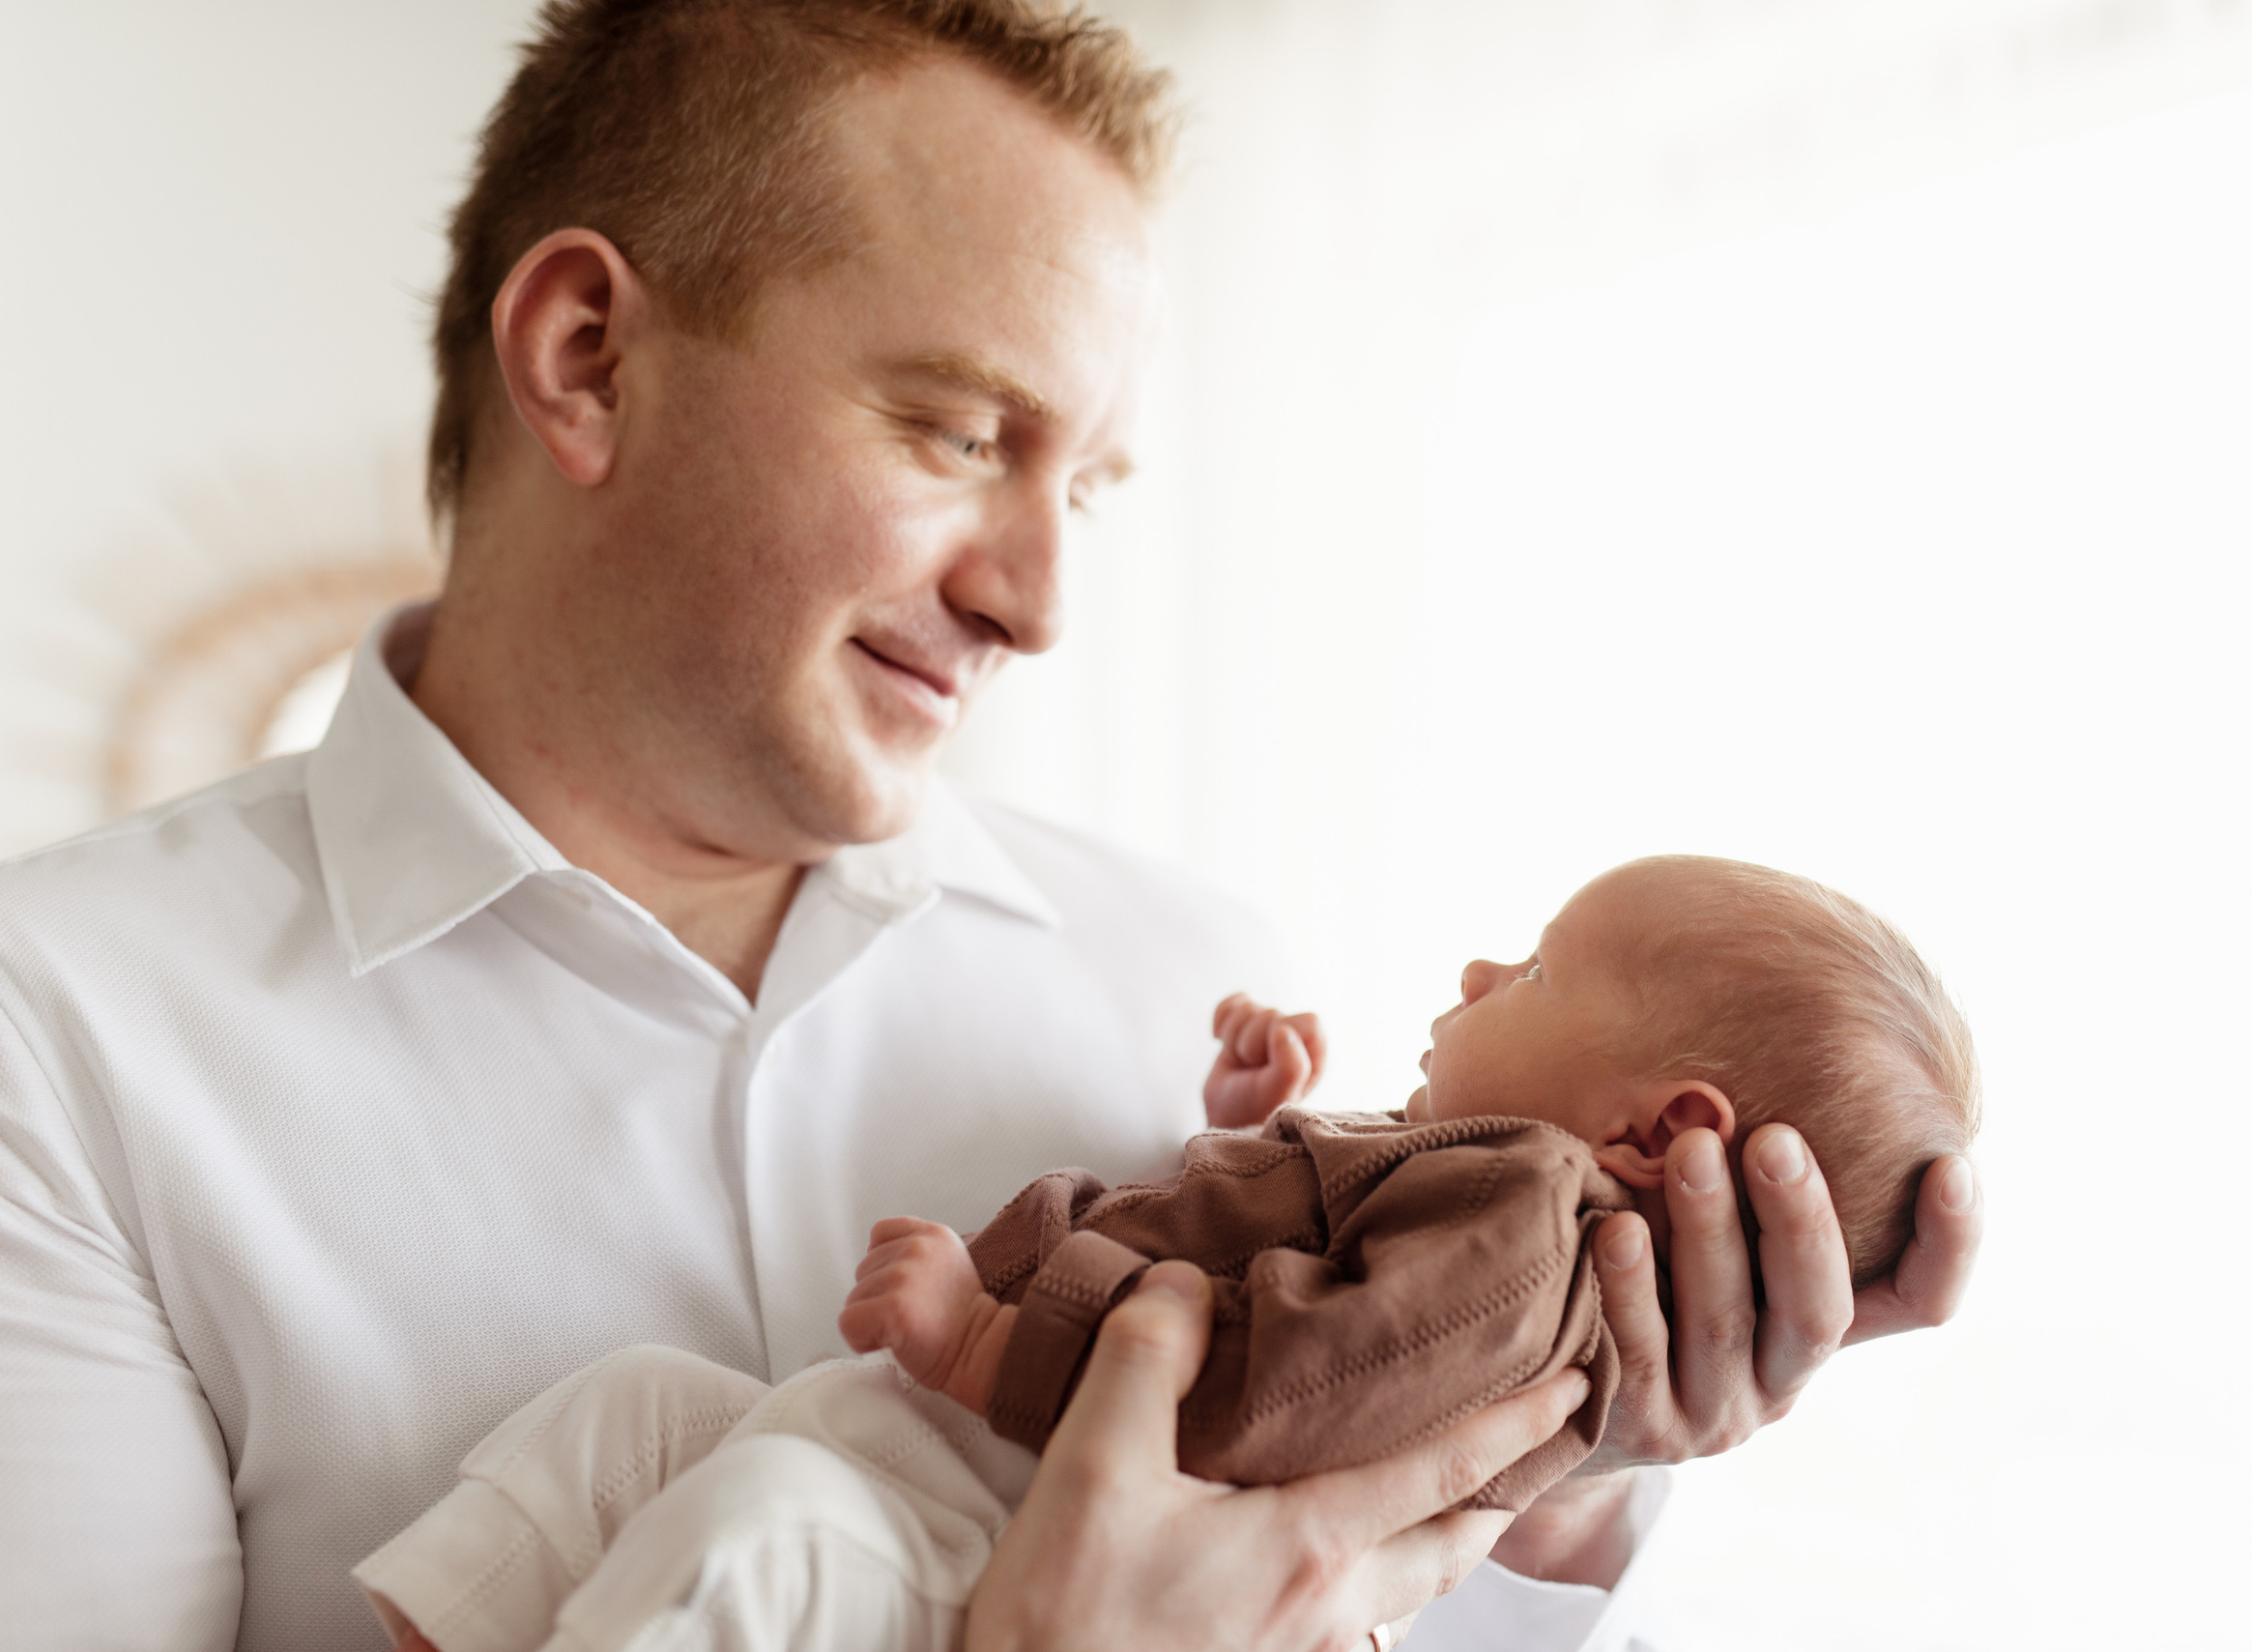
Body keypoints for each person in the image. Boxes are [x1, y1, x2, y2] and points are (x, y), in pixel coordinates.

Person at [0, 5, 1983, 1650]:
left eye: (1086, 488)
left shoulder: (1188, 972)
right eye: (960, 434)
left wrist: (1560, 1492)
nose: (1037, 603)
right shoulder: (62, 1041)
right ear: (588, 361)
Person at [348, 855, 1979, 1652]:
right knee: (636, 1410)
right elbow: (1255, 1240)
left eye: (1541, 968)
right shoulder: (1467, 1191)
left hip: (992, 1527)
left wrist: (986, 1344)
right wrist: (1241, 1119)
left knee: (754, 1538)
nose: (1484, 963)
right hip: (921, 1469)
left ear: (1649, 1134)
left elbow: (1277, 1386)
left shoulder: (1523, 1242)